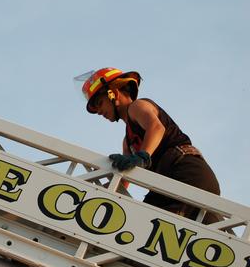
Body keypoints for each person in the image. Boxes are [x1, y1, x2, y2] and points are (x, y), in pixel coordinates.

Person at [78, 67, 221, 224]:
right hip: (171, 182)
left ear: (115, 93)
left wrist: (143, 155)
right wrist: (101, 190)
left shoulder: (137, 107)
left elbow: (156, 127)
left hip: (186, 174)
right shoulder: (128, 142)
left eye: (99, 103)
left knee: (149, 227)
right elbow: (125, 176)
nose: (98, 111)